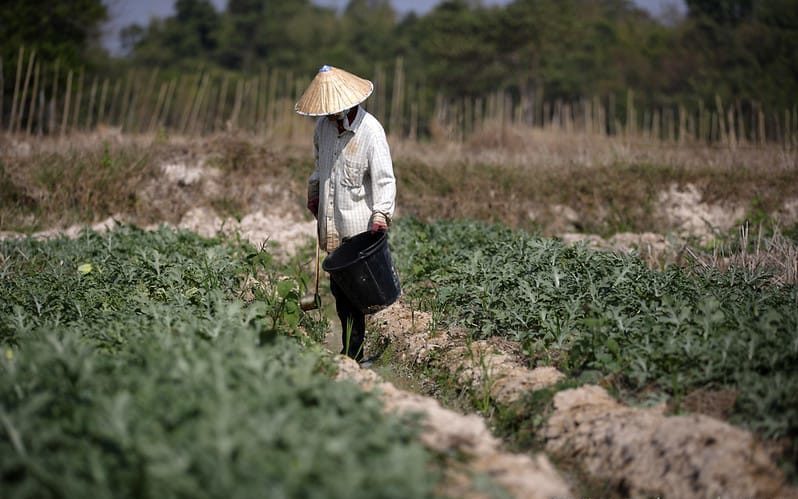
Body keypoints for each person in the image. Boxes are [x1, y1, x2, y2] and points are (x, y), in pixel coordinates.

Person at [295, 65, 396, 362]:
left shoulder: (370, 132)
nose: (328, 115)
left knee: (355, 297)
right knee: (339, 293)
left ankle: (353, 353)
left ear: (346, 106)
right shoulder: (323, 130)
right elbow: (319, 167)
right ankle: (351, 352)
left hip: (359, 229)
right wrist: (314, 194)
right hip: (332, 225)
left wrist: (381, 214)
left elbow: (384, 179)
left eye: (332, 111)